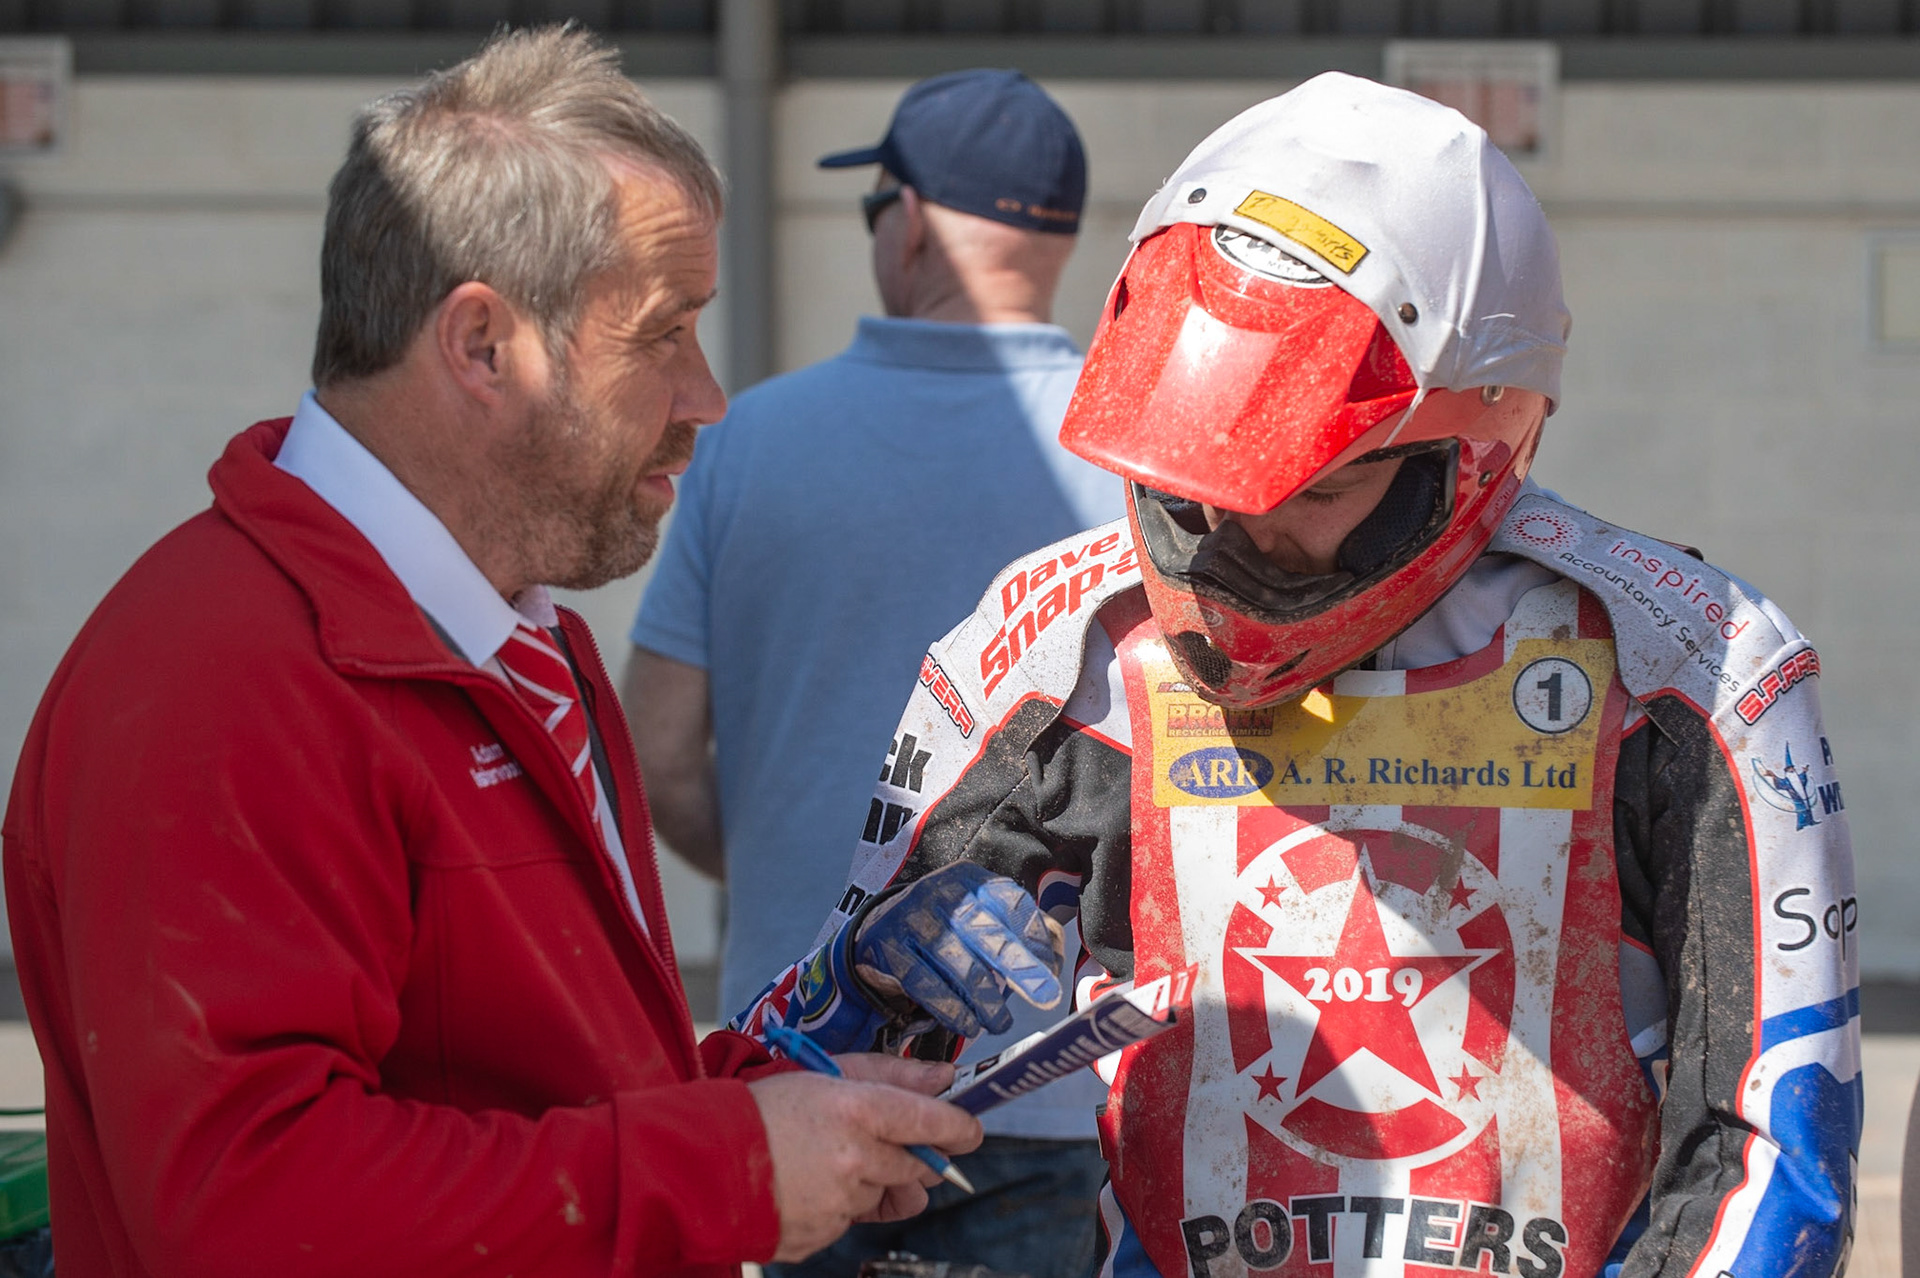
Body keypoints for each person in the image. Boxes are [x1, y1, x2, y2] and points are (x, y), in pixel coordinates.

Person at [736, 73, 1861, 1278]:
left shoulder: (1691, 666)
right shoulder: (1056, 644)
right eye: (1202, 473)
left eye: (1314, 486)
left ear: (1471, 445)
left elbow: (1773, 1144)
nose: (1242, 529)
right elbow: (798, 1078)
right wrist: (869, 995)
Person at [1, 28, 983, 1277]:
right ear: (481, 347)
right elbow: (248, 1209)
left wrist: (769, 1098)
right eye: (663, 333)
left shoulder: (526, 641)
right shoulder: (223, 681)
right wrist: (726, 1167)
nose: (706, 396)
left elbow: (534, 1082)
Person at [623, 68, 1120, 1278]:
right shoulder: (1134, 465)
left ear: (903, 220)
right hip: (1058, 1092)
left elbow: (651, 757)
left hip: (803, 1077)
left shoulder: (744, 443)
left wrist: (823, 877)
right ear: (1053, 240)